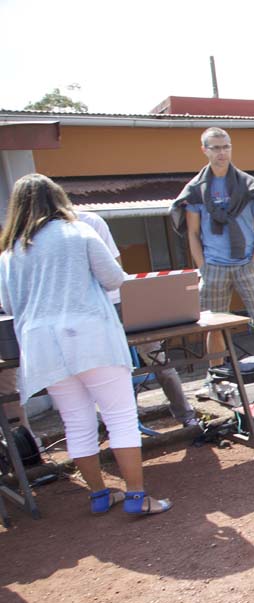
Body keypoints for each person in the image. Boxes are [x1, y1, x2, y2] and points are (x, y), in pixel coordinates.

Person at [0, 174, 171, 515]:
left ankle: (99, 495)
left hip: (41, 346)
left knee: (76, 422)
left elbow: (7, 303)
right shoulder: (78, 231)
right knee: (120, 418)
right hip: (90, 335)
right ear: (58, 198)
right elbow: (113, 279)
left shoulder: (9, 252)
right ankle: (137, 496)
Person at [169, 127, 254, 367]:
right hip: (213, 265)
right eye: (215, 147)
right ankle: (217, 377)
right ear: (205, 150)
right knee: (214, 325)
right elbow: (192, 232)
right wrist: (203, 265)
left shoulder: (246, 185)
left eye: (226, 147)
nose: (222, 153)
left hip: (246, 263)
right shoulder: (196, 189)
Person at [75, 209, 200, 429]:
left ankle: (186, 415)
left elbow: (116, 265)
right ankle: (118, 424)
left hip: (120, 300)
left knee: (158, 360)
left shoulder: (89, 221)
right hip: (91, 309)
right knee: (108, 370)